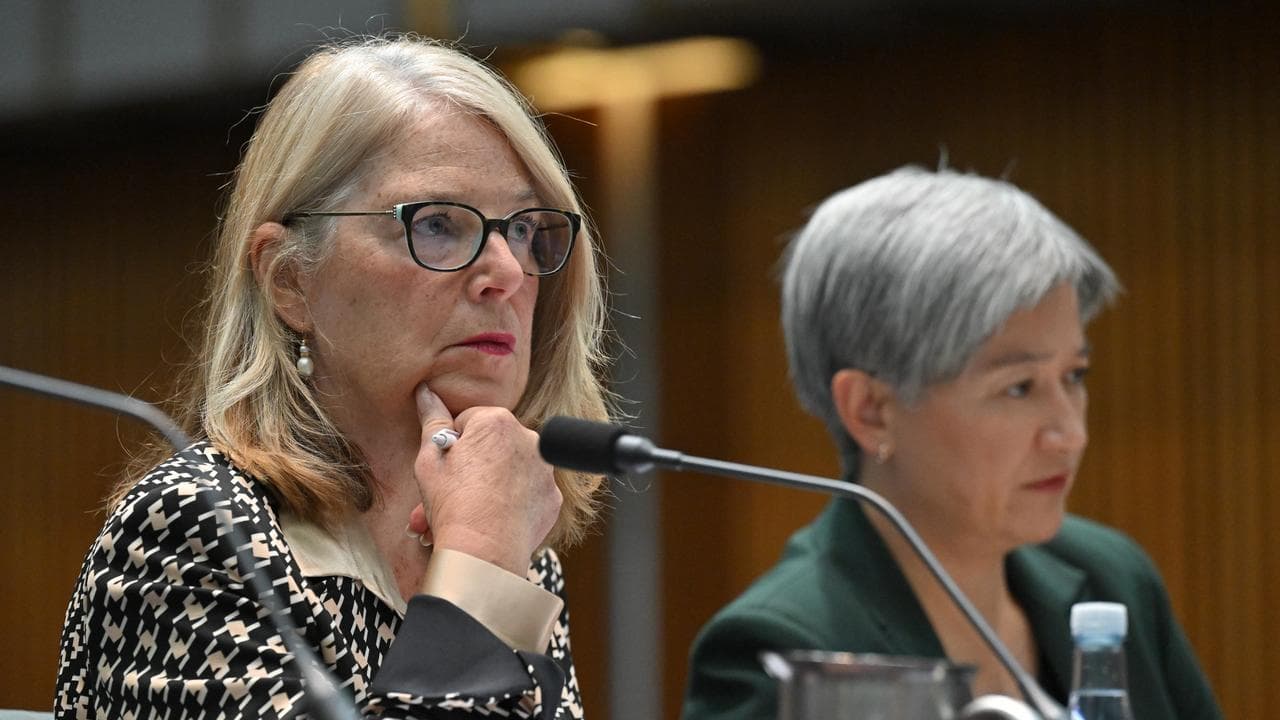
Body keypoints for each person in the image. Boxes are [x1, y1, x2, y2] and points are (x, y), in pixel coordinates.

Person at [55, 35, 612, 719]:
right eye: (437, 224)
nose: (506, 270)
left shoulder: (507, 539)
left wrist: (486, 558)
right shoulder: (196, 530)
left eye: (524, 229)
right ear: (290, 280)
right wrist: (483, 570)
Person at [681, 167, 1222, 719]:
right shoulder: (781, 649)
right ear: (871, 411)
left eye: (1074, 376)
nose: (1071, 435)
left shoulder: (1114, 577)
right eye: (1018, 387)